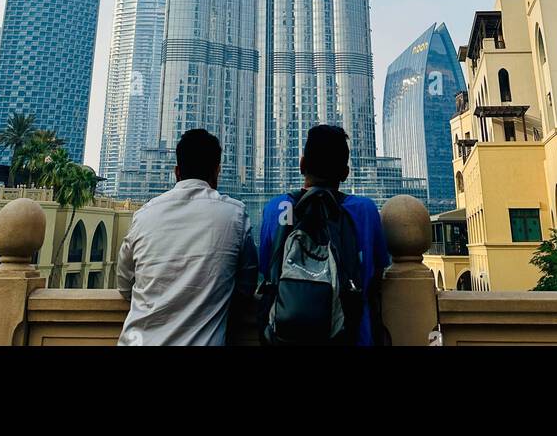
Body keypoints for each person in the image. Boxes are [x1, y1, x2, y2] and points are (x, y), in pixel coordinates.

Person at [116, 128, 257, 346]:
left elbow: (124, 285)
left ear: (177, 171)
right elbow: (246, 287)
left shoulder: (144, 215)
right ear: (216, 171)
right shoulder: (234, 215)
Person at [258, 124, 390, 346]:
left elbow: (266, 270)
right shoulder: (365, 210)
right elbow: (377, 272)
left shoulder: (277, 208)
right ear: (345, 173)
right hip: (353, 337)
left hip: (285, 336)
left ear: (302, 165)